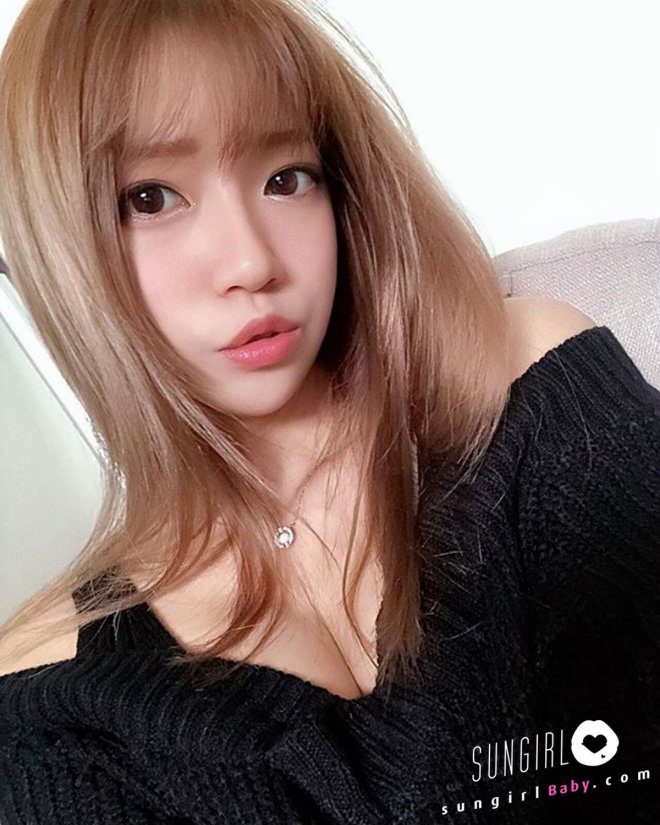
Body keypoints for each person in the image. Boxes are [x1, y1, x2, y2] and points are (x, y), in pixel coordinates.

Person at [0, 0, 658, 822]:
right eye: (150, 197)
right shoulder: (51, 701)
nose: (251, 261)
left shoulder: (529, 385)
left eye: (286, 178)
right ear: (55, 248)